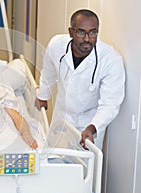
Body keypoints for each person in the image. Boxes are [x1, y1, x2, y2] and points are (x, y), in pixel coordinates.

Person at [35, 9, 125, 149]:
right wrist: (42, 95)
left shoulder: (111, 60)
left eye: (93, 32)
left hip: (88, 123)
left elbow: (110, 103)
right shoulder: (56, 45)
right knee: (54, 162)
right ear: (71, 32)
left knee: (83, 167)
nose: (87, 39)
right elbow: (48, 72)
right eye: (81, 32)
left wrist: (93, 127)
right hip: (62, 117)